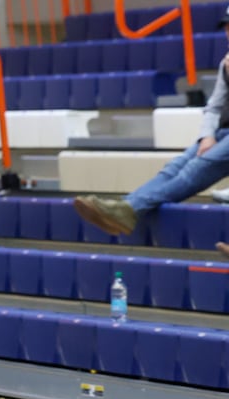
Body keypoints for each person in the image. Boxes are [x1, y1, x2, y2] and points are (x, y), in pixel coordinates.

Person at [74, 13, 229, 251]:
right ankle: (125, 207)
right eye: (227, 27)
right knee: (176, 166)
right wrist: (207, 136)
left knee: (198, 167)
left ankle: (131, 209)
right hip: (223, 131)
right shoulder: (226, 62)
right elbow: (214, 106)